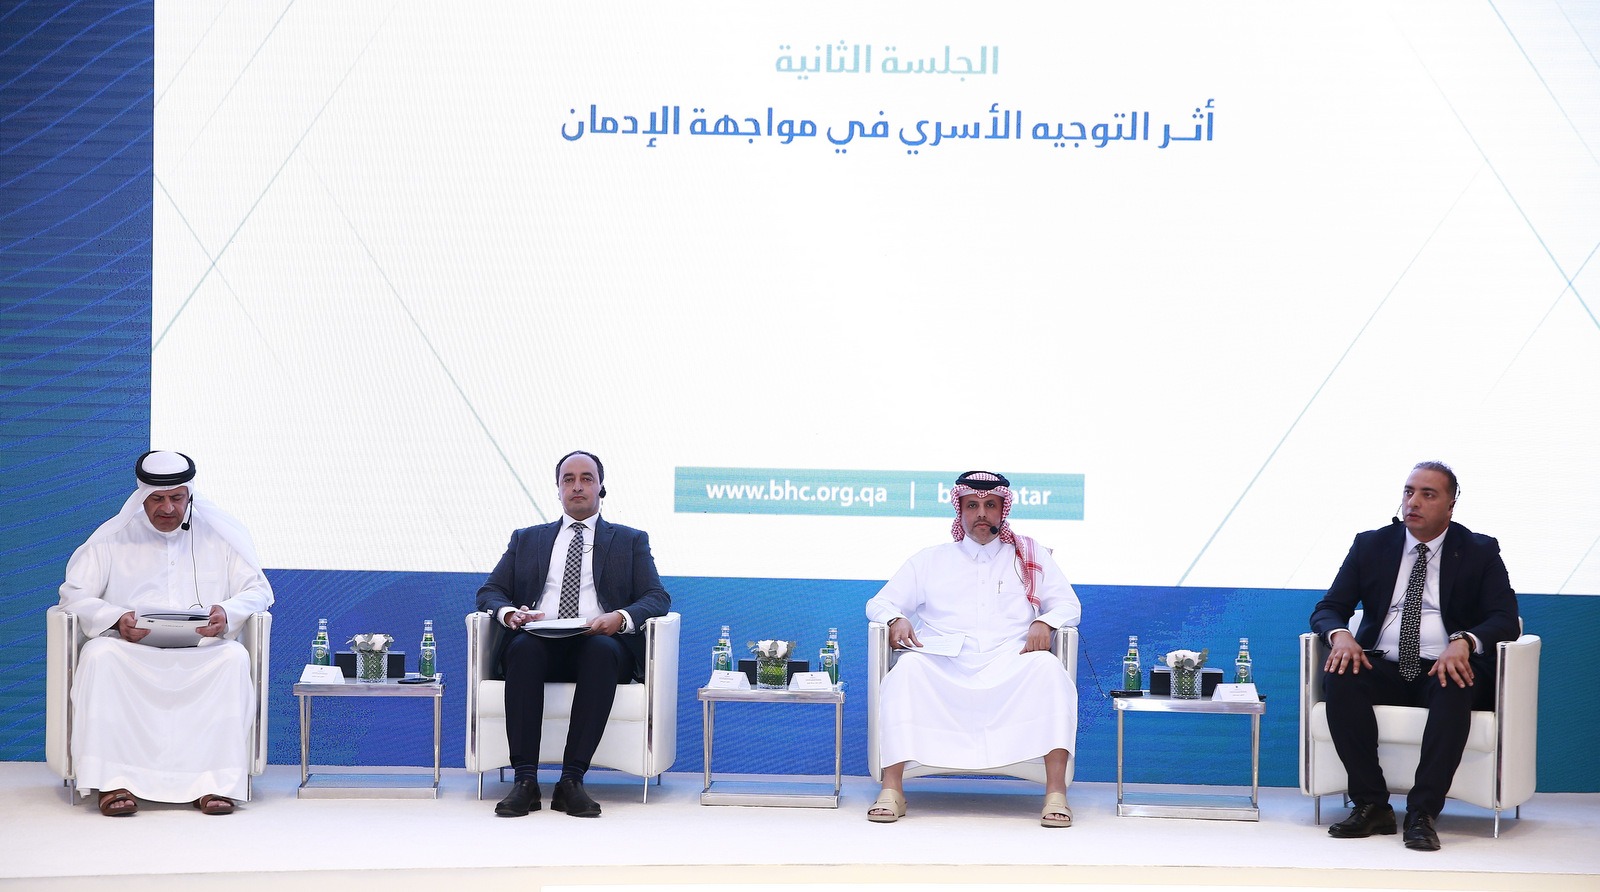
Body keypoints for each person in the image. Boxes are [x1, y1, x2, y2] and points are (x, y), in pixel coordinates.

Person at [1310, 461, 1520, 851]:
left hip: (1442, 665)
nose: (1413, 502)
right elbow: (1329, 608)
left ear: (1451, 505)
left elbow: (1505, 619)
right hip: (1382, 663)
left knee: (1455, 682)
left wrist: (1464, 641)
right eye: (1409, 492)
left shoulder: (1479, 550)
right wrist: (1340, 636)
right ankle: (1372, 805)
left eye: (1428, 494)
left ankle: (1422, 813)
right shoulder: (1371, 545)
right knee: (1340, 677)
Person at [57, 450, 274, 817]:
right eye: (157, 499)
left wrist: (226, 611)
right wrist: (116, 618)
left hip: (202, 650)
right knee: (99, 656)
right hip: (131, 651)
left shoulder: (219, 536)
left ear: (189, 495)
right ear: (142, 496)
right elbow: (72, 595)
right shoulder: (113, 538)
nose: (168, 508)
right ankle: (114, 783)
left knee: (233, 658)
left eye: (177, 497)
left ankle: (214, 783)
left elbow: (258, 591)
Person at [865, 470, 1081, 827]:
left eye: (990, 505)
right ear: (960, 510)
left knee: (1049, 670)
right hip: (944, 663)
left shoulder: (1029, 556)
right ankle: (892, 790)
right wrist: (895, 618)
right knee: (907, 670)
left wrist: (1045, 622)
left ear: (1002, 511)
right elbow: (879, 603)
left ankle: (1056, 793)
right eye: (972, 506)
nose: (981, 513)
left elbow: (1069, 605)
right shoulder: (930, 560)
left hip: (1009, 661)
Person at [476, 450, 671, 818]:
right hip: (540, 639)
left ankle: (571, 781)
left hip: (598, 642)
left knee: (601, 651)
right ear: (558, 489)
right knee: (522, 650)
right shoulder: (527, 539)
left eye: (586, 479)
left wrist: (620, 617)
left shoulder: (630, 540)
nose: (577, 486)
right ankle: (525, 781)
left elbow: (656, 596)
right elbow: (490, 591)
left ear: (601, 488)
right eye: (568, 480)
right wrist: (510, 613)